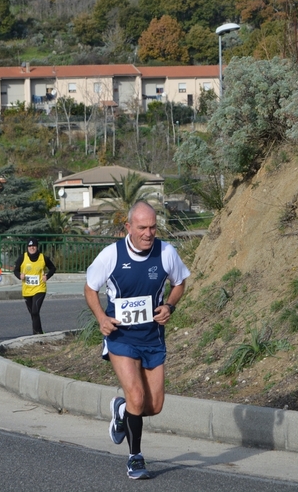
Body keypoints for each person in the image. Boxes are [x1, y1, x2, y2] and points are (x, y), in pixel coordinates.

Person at [84, 201, 190, 480]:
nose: (148, 233)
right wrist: (101, 319)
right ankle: (136, 458)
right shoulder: (111, 255)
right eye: (142, 227)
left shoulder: (166, 252)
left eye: (153, 227)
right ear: (128, 227)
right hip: (121, 337)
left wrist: (169, 306)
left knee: (153, 406)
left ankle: (121, 411)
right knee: (136, 395)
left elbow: (180, 283)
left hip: (152, 337)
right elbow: (90, 288)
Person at [12, 237, 56, 335]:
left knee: (35, 311)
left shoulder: (43, 258)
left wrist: (47, 276)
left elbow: (53, 268)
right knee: (33, 313)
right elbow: (15, 270)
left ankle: (36, 334)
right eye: (30, 246)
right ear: (27, 247)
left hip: (40, 288)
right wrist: (19, 275)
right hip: (27, 290)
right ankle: (38, 332)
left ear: (37, 247)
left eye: (34, 246)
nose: (32, 248)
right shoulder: (22, 258)